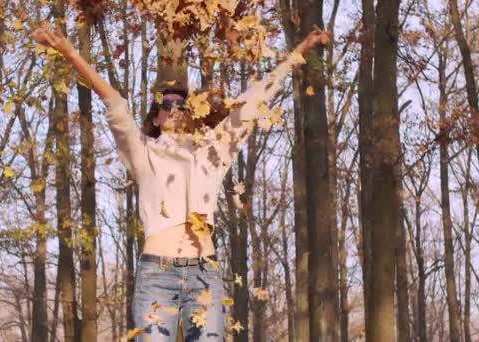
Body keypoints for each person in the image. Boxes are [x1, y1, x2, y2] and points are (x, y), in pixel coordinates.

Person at [32, 22, 329, 341]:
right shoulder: (143, 152)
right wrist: (70, 52)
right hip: (157, 274)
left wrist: (298, 52)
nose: (174, 109)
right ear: (156, 116)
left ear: (191, 112)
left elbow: (253, 103)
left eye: (181, 104)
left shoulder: (213, 150)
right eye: (166, 105)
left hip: (205, 273)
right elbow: (115, 102)